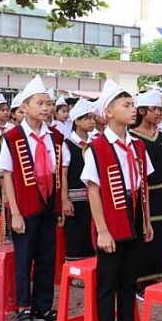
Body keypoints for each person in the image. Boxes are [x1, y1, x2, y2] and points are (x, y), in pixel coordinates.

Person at [83, 79, 154, 321]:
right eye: (127, 105)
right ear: (109, 112)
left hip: (134, 214)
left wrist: (146, 222)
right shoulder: (97, 147)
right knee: (107, 281)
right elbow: (93, 189)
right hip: (110, 218)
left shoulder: (137, 145)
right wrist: (101, 230)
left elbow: (143, 186)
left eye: (133, 104)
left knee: (128, 278)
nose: (133, 109)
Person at [0, 76, 64, 321]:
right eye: (41, 103)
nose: (46, 108)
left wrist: (60, 203)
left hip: (48, 204)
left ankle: (42, 308)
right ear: (24, 107)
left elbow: (60, 172)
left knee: (47, 257)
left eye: (49, 103)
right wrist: (14, 212)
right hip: (24, 207)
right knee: (24, 259)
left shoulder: (55, 136)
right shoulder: (13, 137)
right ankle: (24, 308)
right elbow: (7, 176)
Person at [130, 89, 162, 290]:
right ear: (141, 111)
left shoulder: (161, 136)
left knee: (158, 232)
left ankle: (155, 273)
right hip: (141, 191)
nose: (158, 113)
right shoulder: (132, 137)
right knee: (142, 230)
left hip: (159, 190)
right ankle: (139, 276)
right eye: (154, 109)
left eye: (160, 109)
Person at [60, 99, 97, 262]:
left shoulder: (95, 143)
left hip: (94, 197)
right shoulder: (67, 144)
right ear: (77, 121)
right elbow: (63, 174)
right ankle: (76, 270)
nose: (92, 121)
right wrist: (65, 199)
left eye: (93, 118)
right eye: (88, 118)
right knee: (76, 234)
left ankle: (92, 268)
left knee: (92, 233)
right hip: (75, 197)